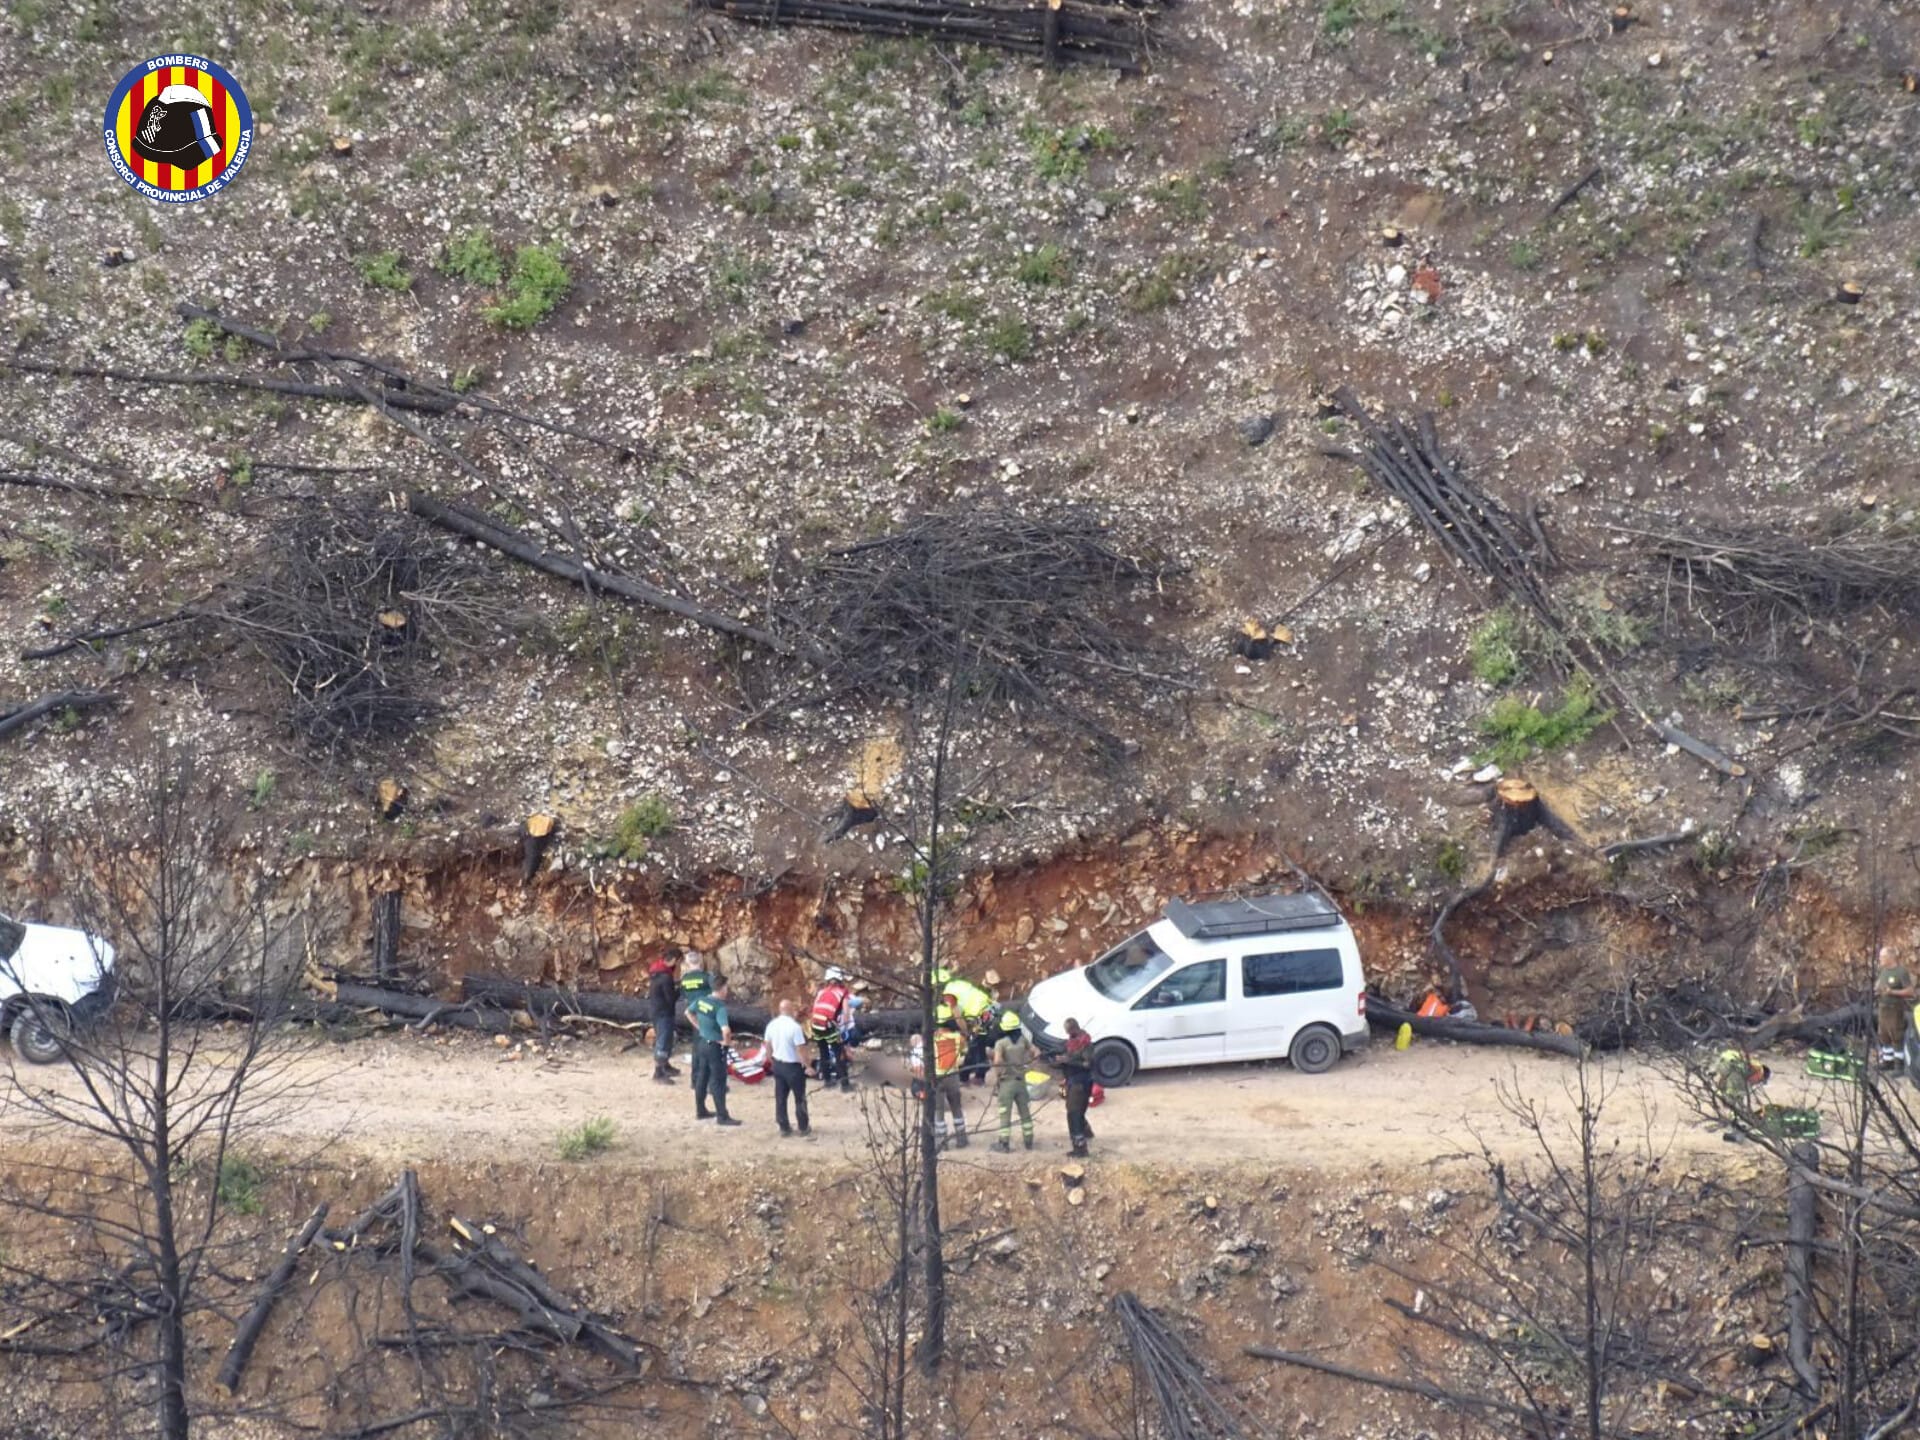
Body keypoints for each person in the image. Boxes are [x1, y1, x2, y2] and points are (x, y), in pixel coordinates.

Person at [689, 977, 741, 1127]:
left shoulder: (701, 1001)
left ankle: (700, 1110)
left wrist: (699, 1027)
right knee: (718, 1081)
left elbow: (688, 1012)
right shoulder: (720, 1008)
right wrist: (727, 1042)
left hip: (702, 1043)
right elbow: (726, 1030)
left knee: (702, 1077)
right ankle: (722, 1116)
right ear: (722, 989)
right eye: (726, 988)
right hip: (715, 1048)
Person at [936, 968, 995, 1086]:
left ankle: (964, 1077)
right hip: (990, 1010)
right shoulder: (958, 984)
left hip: (980, 1016)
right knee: (979, 1045)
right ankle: (980, 1076)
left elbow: (958, 1017)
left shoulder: (949, 995)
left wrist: (966, 1032)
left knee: (973, 1047)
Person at [765, 999, 812, 1138]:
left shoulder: (772, 1025)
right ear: (791, 1010)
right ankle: (803, 1126)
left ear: (780, 1010)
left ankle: (783, 1126)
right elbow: (800, 1049)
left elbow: (767, 1044)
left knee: (780, 1097)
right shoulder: (795, 1027)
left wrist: (770, 1060)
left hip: (778, 1064)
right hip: (793, 1066)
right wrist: (808, 1065)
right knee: (800, 1097)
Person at [990, 1010, 1035, 1152]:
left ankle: (1004, 1144)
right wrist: (1028, 1065)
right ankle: (1029, 1141)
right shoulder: (1023, 1040)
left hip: (1007, 1082)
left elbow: (997, 1061)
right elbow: (1036, 1052)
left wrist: (999, 1075)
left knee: (1005, 1113)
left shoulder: (1000, 1043)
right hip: (1021, 1082)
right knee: (1025, 1112)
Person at [808, 967, 854, 1093]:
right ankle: (845, 1084)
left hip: (815, 1024)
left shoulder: (821, 991)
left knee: (824, 1052)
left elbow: (815, 1008)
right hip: (828, 1024)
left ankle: (827, 1081)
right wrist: (844, 1028)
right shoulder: (842, 992)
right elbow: (845, 1012)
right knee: (839, 1052)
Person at [1060, 1017, 1095, 1157]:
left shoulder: (1086, 1044)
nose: (1068, 1034)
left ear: (1074, 1028)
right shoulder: (1072, 1042)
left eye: (1069, 1031)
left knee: (1074, 1114)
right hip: (1072, 1081)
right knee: (1077, 1110)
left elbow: (1087, 1064)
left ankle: (1080, 1148)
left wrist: (1068, 1061)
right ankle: (1087, 1132)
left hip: (1080, 1083)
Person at [930, 1022, 968, 1149]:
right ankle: (961, 1139)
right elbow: (965, 1054)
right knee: (956, 1108)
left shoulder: (932, 1038)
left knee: (938, 1111)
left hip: (937, 1078)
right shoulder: (958, 1037)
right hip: (953, 1076)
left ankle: (942, 1143)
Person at [1876, 950, 1915, 1063]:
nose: (1880, 959)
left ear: (1890, 957)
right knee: (1884, 1035)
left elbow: (1910, 991)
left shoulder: (1901, 972)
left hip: (1895, 1009)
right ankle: (1887, 1061)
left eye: (1882, 957)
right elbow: (1879, 984)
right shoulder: (1882, 971)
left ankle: (1898, 1063)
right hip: (1883, 1008)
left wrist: (1892, 992)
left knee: (1896, 1036)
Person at [647, 952, 680, 1085]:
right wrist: (679, 990)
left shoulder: (657, 972)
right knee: (663, 1040)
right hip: (664, 1013)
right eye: (677, 961)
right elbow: (670, 998)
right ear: (672, 960)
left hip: (656, 1010)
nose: (678, 965)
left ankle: (665, 1065)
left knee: (667, 1038)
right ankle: (658, 1072)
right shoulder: (666, 977)